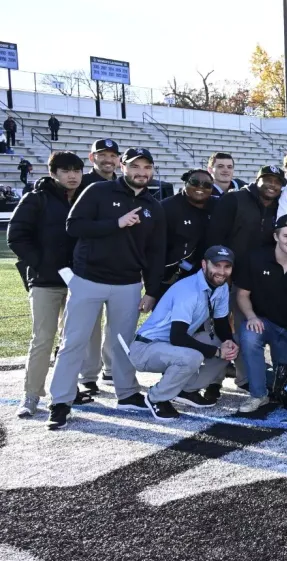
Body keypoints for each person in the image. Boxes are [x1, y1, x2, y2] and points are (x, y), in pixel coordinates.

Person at [45, 148, 168, 430]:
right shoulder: (98, 191)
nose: (141, 172)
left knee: (122, 343)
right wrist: (116, 223)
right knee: (73, 341)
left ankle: (126, 393)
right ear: (123, 166)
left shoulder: (154, 206)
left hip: (128, 283)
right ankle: (61, 401)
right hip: (89, 279)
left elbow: (156, 252)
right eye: (135, 166)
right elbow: (73, 226)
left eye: (147, 167)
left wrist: (151, 290)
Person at [8, 152, 90, 418]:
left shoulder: (85, 197)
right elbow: (16, 237)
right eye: (65, 170)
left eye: (76, 170)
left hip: (79, 282)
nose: (72, 175)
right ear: (53, 172)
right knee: (42, 339)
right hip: (45, 282)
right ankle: (31, 395)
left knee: (72, 341)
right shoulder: (36, 198)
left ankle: (67, 391)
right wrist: (43, 265)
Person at [127, 246, 239, 420]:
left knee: (229, 347)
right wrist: (216, 351)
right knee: (193, 356)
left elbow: (221, 323)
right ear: (204, 264)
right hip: (146, 348)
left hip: (173, 345)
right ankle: (157, 397)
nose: (222, 272)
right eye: (217, 265)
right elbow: (177, 336)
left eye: (227, 267)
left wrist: (228, 342)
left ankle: (186, 390)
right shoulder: (188, 290)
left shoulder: (221, 286)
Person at [233, 216, 287, 414]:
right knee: (250, 337)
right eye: (286, 235)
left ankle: (269, 380)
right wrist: (251, 316)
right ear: (276, 236)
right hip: (262, 322)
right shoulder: (256, 258)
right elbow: (242, 294)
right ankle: (258, 395)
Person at [156, 169, 216, 298]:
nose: (200, 187)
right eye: (195, 182)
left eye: (207, 185)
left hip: (204, 274)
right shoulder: (166, 208)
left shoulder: (217, 205)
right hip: (170, 275)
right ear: (185, 182)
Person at [208, 165, 285, 264]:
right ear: (257, 180)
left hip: (263, 270)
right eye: (268, 180)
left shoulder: (281, 206)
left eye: (278, 182)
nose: (272, 185)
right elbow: (215, 236)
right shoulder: (233, 199)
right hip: (231, 266)